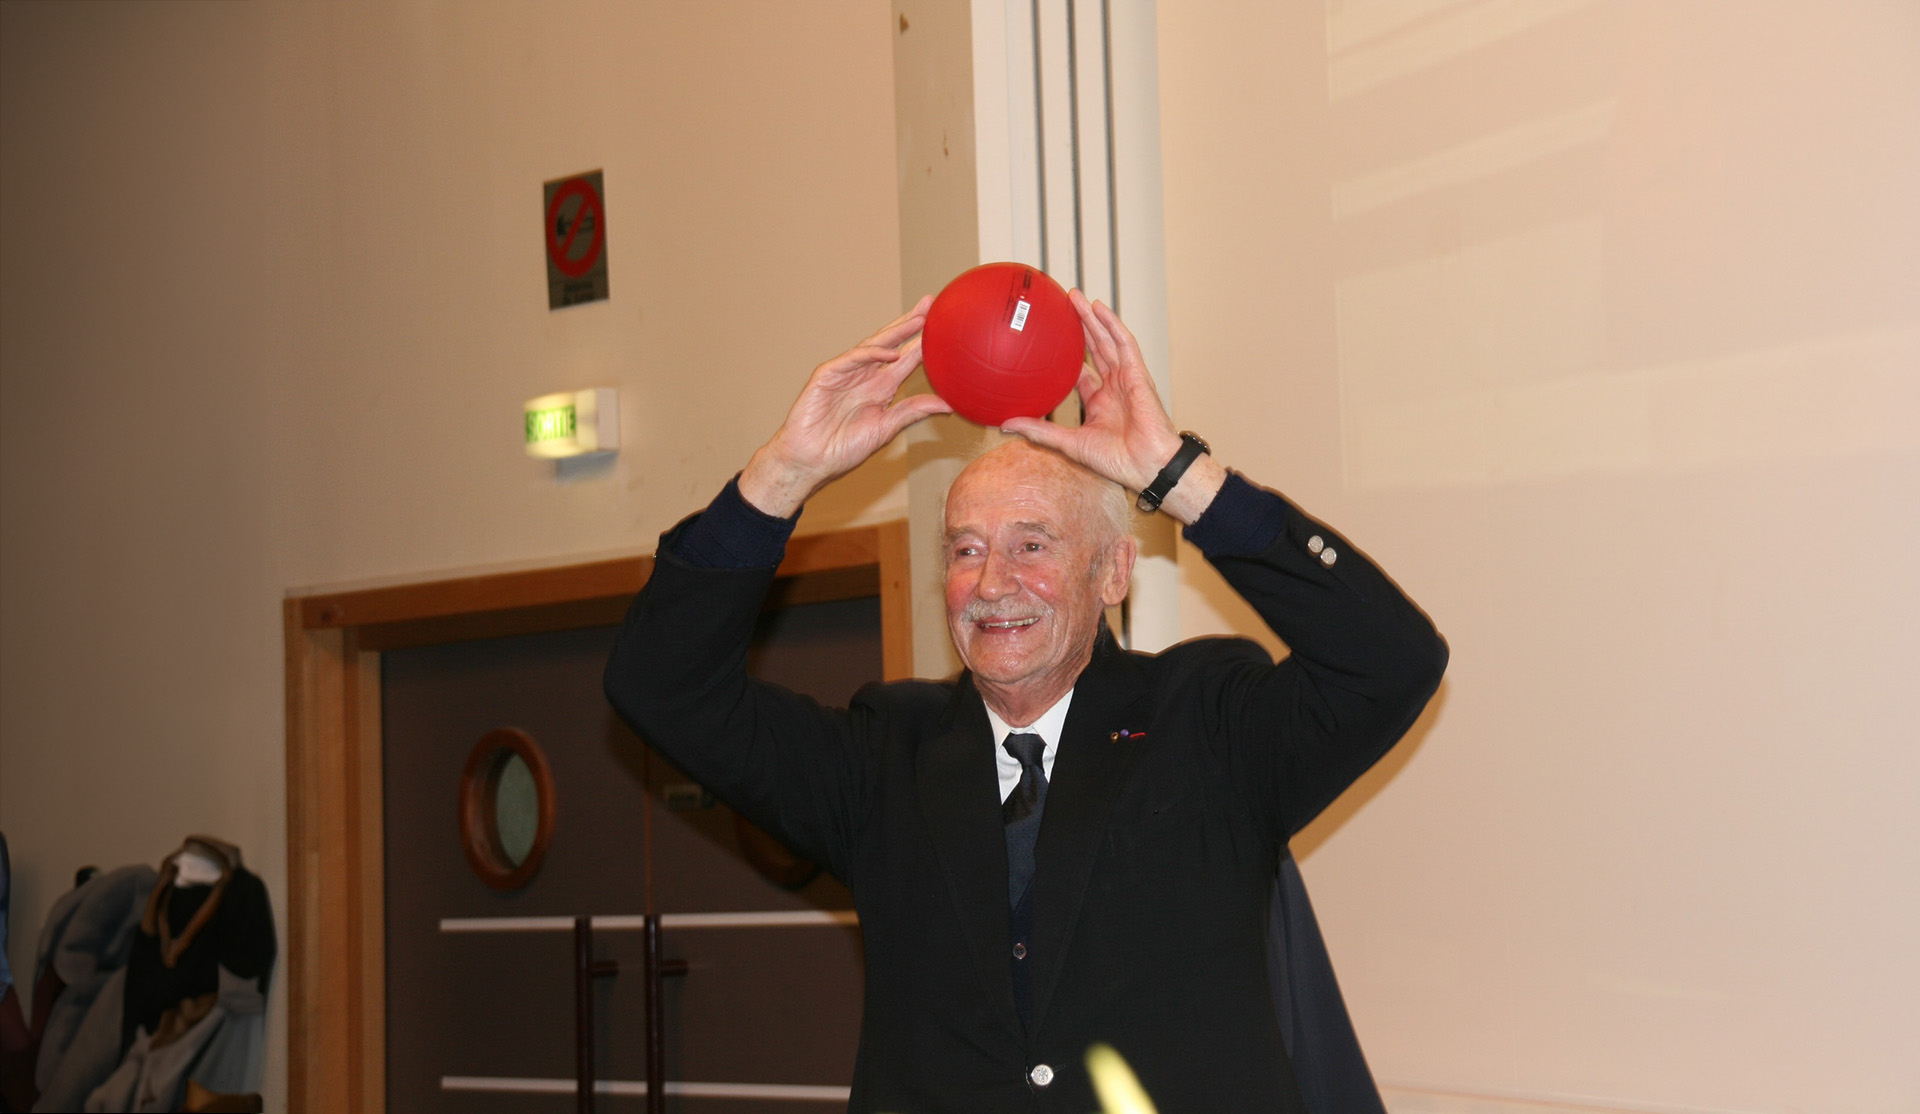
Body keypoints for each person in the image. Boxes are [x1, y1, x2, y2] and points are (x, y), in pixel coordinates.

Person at [605, 291, 1446, 1113]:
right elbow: (660, 685)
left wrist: (1178, 476)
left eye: (1032, 545)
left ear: (1113, 571)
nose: (992, 583)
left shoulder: (1207, 721)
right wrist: (783, 474)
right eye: (965, 550)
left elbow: (1392, 659)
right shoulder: (884, 754)